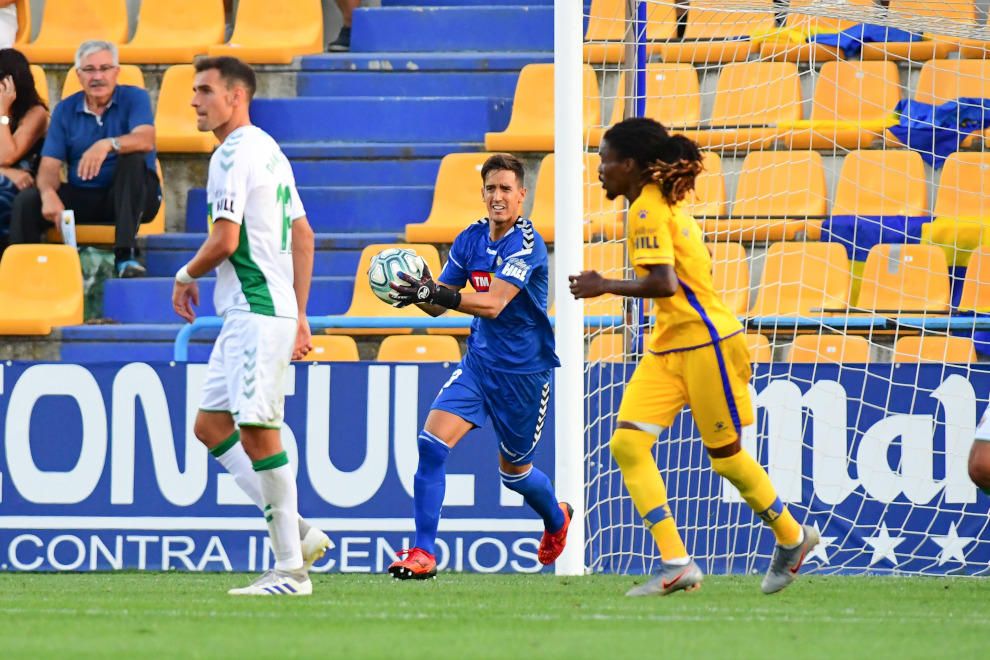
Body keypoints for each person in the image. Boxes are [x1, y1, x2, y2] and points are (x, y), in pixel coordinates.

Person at [569, 117, 819, 596]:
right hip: (669, 344)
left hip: (707, 344)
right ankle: (676, 563)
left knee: (725, 459)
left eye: (605, 161)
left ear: (632, 166)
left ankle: (792, 537)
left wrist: (603, 286)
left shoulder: (647, 210)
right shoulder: (656, 202)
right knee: (627, 444)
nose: (599, 170)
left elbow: (664, 283)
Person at [174, 55, 326, 596]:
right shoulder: (268, 148)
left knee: (259, 431)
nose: (194, 100)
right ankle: (299, 531)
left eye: (204, 90)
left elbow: (225, 241)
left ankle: (290, 571)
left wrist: (184, 273)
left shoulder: (232, 154)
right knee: (212, 427)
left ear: (235, 96)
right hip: (262, 309)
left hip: (256, 313)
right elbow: (304, 235)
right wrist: (302, 313)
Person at [386, 153, 572, 580]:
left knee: (515, 474)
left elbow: (492, 304)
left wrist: (436, 293)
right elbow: (439, 304)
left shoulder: (528, 244)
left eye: (506, 189)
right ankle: (422, 553)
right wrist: (415, 292)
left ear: (522, 196)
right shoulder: (470, 239)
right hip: (479, 365)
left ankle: (557, 519)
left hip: (524, 376)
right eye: (491, 189)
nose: (498, 197)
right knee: (431, 444)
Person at [8, 40, 160, 278]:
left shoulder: (135, 98)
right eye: (89, 70)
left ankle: (126, 257)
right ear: (78, 75)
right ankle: (23, 273)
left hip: (135, 196)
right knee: (29, 200)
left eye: (105, 68)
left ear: (116, 72)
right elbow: (49, 165)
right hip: (86, 196)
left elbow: (145, 139)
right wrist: (48, 194)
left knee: (132, 159)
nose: (97, 76)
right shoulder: (65, 110)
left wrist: (107, 144)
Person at [0, 47, 48, 253]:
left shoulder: (36, 114)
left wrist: (1, 112)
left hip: (27, 188)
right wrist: (4, 172)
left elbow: (7, 154)